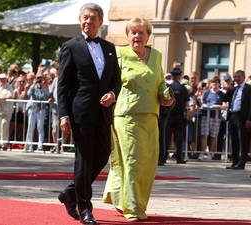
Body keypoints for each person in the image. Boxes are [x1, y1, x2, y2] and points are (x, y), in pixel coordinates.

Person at [102, 18, 174, 222]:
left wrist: (166, 94)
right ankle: (133, 208)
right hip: (126, 116)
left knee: (148, 163)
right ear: (128, 35)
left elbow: (159, 82)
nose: (137, 36)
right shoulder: (119, 54)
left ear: (148, 35)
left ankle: (126, 199)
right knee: (133, 162)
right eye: (133, 32)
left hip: (151, 115)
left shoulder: (157, 55)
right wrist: (109, 96)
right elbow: (110, 82)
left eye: (141, 32)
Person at [56, 3, 121, 224]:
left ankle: (70, 193)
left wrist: (112, 93)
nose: (88, 21)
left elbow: (116, 81)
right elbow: (63, 85)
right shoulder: (70, 46)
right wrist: (63, 114)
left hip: (103, 113)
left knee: (102, 156)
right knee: (83, 161)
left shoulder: (110, 48)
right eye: (85, 17)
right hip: (80, 113)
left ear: (100, 22)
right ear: (80, 20)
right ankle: (85, 208)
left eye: (93, 18)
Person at [223, 70, 251, 169]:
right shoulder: (234, 89)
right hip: (232, 115)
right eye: (235, 77)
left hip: (242, 116)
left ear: (243, 77)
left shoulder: (249, 88)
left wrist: (249, 119)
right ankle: (235, 161)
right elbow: (224, 99)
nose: (236, 78)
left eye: (238, 77)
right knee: (233, 139)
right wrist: (229, 89)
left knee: (242, 139)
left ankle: (242, 162)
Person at [164, 68, 189, 164]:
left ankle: (163, 157)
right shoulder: (183, 88)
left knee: (166, 137)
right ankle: (179, 158)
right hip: (179, 115)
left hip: (169, 114)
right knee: (178, 137)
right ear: (179, 77)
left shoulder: (168, 87)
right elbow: (186, 103)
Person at [198, 76, 227, 160]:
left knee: (213, 135)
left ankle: (211, 153)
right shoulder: (206, 92)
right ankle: (202, 153)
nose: (214, 84)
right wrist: (205, 106)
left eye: (216, 83)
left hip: (216, 117)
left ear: (219, 84)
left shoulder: (221, 94)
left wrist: (217, 106)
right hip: (205, 115)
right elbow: (202, 103)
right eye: (213, 82)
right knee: (204, 134)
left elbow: (224, 106)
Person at [25, 73, 49, 151]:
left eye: (41, 78)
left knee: (40, 127)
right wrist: (33, 84)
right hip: (32, 108)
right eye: (38, 78)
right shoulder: (33, 87)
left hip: (41, 109)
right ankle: (29, 144)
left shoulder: (46, 88)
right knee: (30, 127)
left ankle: (40, 144)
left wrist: (42, 88)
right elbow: (29, 93)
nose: (39, 80)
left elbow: (46, 97)